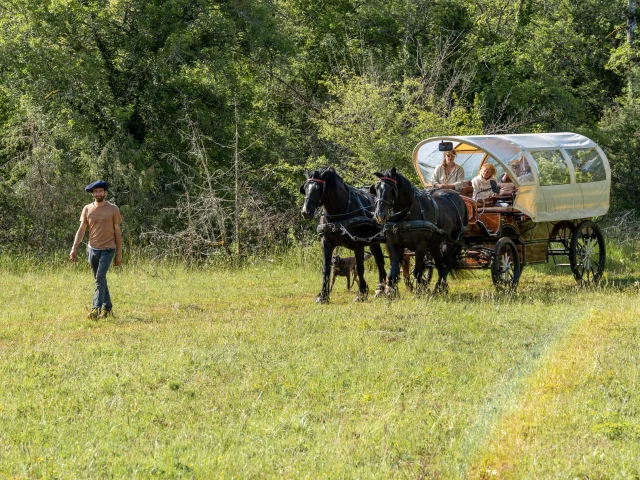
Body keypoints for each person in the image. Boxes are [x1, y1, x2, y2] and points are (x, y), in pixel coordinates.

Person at [69, 180, 123, 319]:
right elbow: (81, 230)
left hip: (108, 249)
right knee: (101, 280)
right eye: (96, 191)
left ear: (105, 192)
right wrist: (74, 248)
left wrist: (119, 253)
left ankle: (95, 310)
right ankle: (107, 308)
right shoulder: (87, 209)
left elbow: (117, 231)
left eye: (100, 191)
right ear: (92, 193)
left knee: (99, 278)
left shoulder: (113, 209)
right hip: (92, 249)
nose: (98, 193)